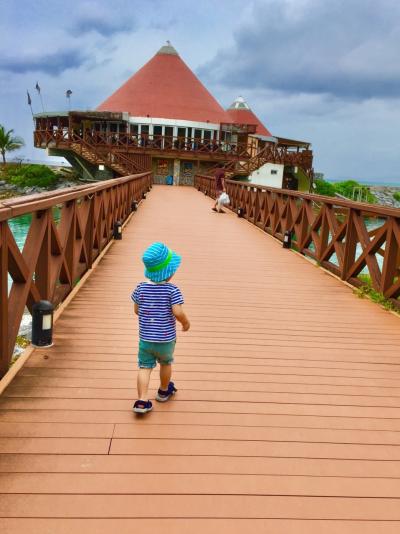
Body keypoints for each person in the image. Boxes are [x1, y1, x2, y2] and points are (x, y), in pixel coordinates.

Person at [131, 242, 190, 414]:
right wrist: (185, 323)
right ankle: (164, 391)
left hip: (146, 340)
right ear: (170, 272)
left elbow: (136, 310)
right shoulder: (173, 290)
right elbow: (177, 311)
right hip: (165, 340)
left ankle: (142, 400)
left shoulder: (140, 288)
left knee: (144, 367)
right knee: (166, 363)